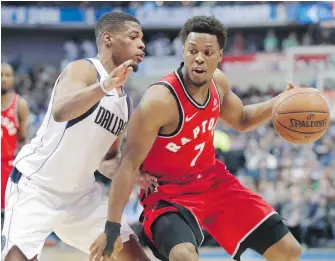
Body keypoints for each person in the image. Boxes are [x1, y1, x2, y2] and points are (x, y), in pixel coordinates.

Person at [90, 16, 302, 261]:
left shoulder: (218, 83)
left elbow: (242, 118)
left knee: (289, 251)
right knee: (184, 257)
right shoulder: (159, 100)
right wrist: (112, 227)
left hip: (213, 181)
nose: (199, 58)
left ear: (220, 55)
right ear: (183, 52)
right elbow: (127, 166)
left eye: (207, 52)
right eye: (192, 51)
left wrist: (279, 102)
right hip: (167, 194)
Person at [1, 12, 153, 261]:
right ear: (108, 39)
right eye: (133, 36)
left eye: (142, 38)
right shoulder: (83, 69)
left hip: (80, 197)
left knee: (134, 256)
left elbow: (108, 160)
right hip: (35, 186)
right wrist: (104, 86)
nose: (141, 44)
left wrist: (135, 174)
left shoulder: (125, 101)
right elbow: (61, 111)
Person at [1, 63, 29, 226]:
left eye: (7, 75)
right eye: (0, 75)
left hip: (8, 166)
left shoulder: (20, 104)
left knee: (9, 218)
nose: (3, 79)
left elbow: (23, 139)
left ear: (13, 79)